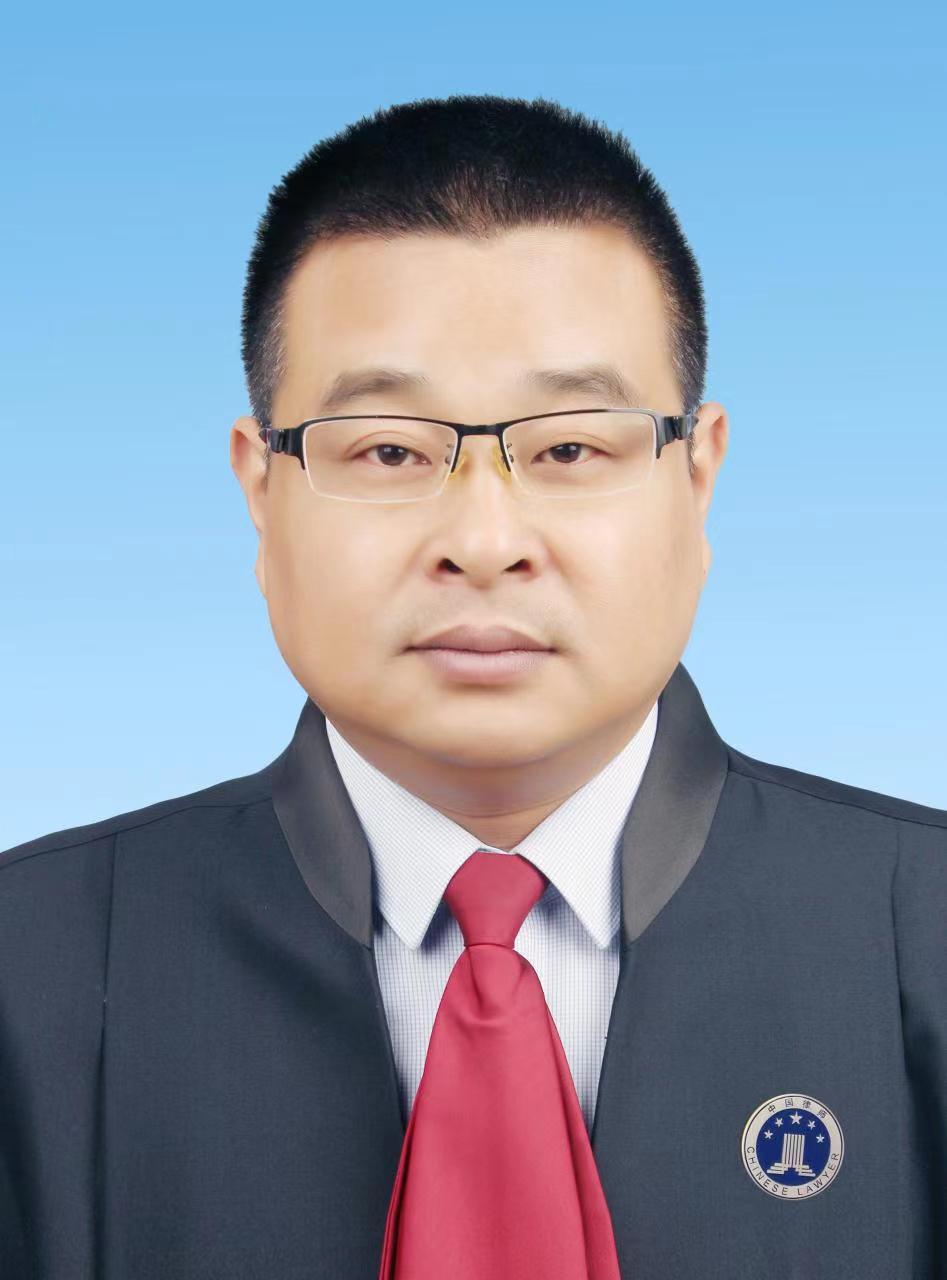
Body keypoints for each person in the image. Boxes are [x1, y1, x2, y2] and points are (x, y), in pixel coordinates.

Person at [1, 93, 944, 1280]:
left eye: (569, 447)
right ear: (261, 488)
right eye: (389, 449)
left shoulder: (922, 932)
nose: (483, 541)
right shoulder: (28, 969)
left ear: (696, 475)